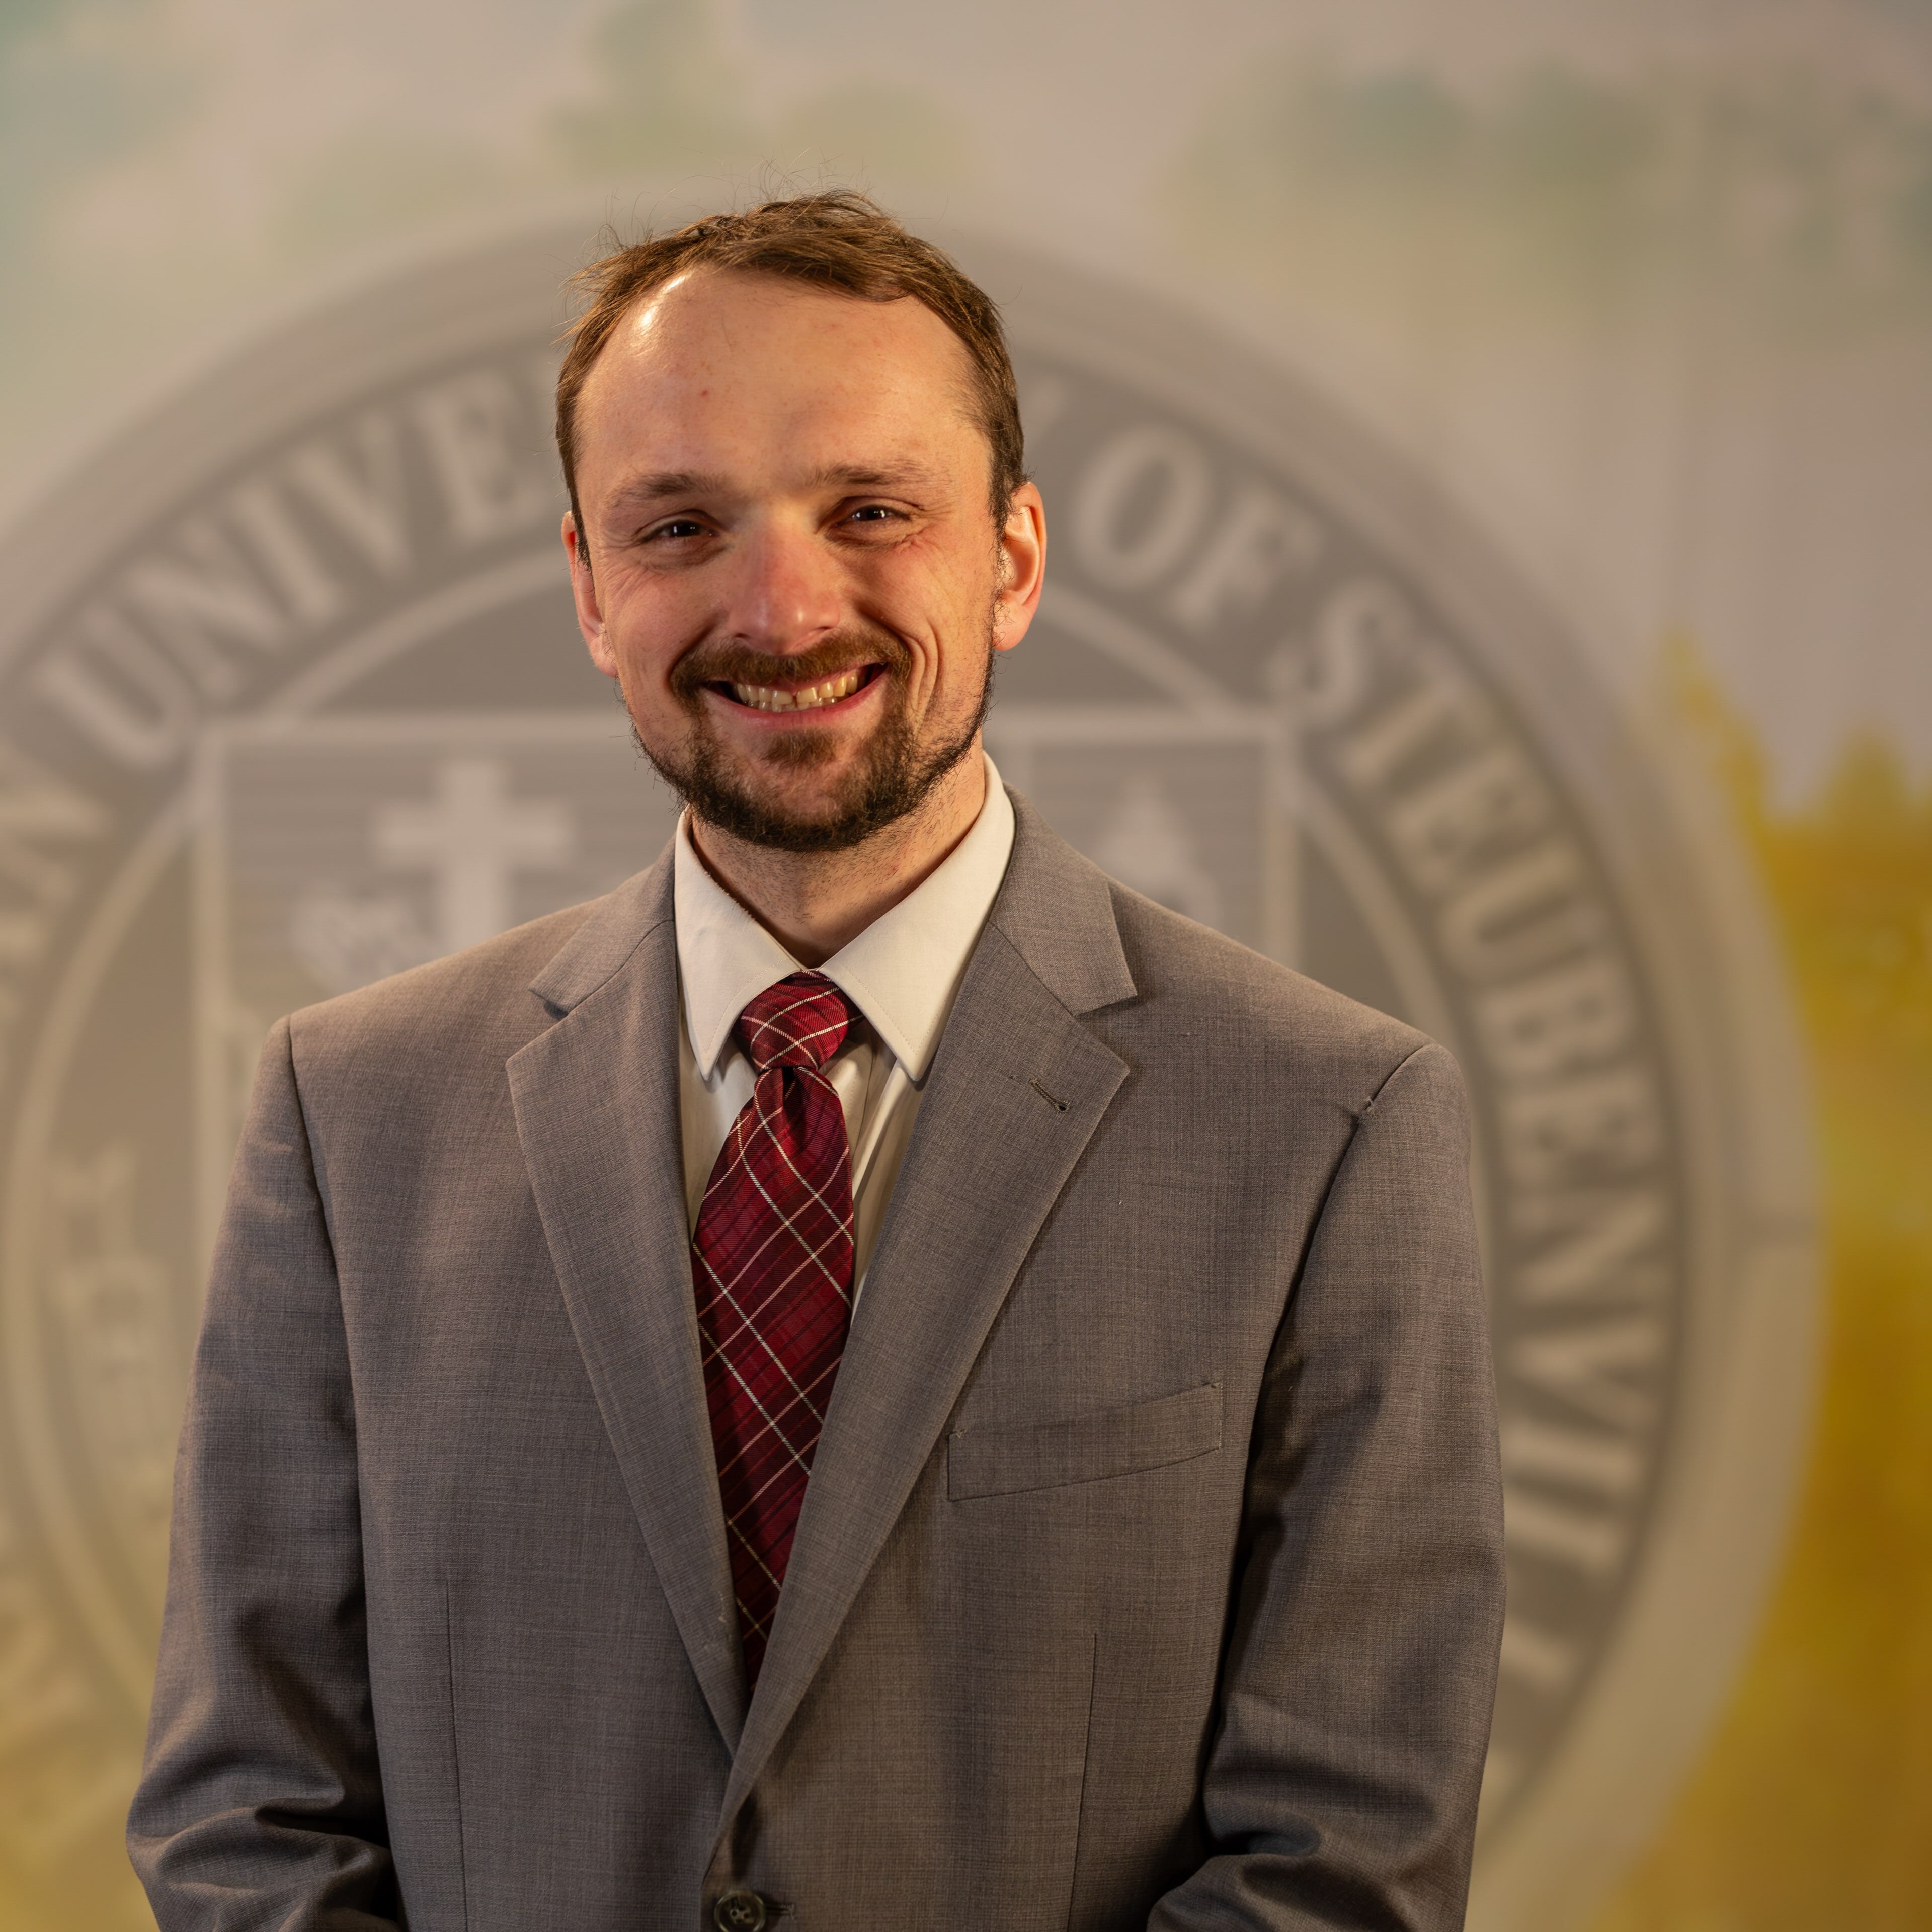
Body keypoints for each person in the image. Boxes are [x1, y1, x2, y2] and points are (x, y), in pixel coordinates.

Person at [129, 191, 1504, 1932]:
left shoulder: (1330, 1126)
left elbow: (1345, 1860)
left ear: (1011, 557)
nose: (782, 607)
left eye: (871, 510)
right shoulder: (351, 1113)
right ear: (586, 584)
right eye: (680, 524)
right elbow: (247, 1818)